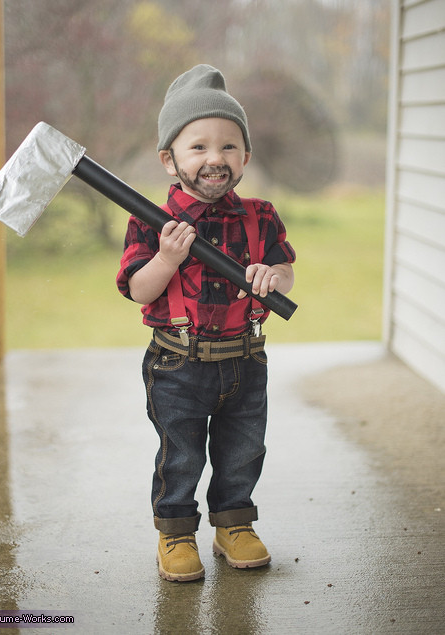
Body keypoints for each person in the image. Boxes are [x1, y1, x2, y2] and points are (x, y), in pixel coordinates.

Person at [116, 64, 296, 582]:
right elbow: (137, 289)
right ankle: (174, 533)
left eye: (228, 146)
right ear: (169, 160)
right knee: (182, 453)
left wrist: (272, 276)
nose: (215, 159)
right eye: (198, 147)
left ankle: (234, 524)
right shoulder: (150, 220)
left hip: (246, 357)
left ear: (245, 156)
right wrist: (167, 259)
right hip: (178, 362)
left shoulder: (261, 216)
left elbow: (284, 272)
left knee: (243, 449)